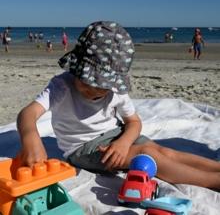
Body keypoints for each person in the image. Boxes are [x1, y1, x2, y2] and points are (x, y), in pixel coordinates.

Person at [17, 21, 220, 189]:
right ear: (77, 67)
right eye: (87, 83)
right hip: (84, 148)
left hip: (118, 135)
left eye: (102, 87)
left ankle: (215, 168)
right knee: (147, 156)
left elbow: (134, 122)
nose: (93, 91)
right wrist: (31, 137)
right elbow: (28, 114)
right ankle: (213, 182)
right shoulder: (62, 85)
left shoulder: (116, 90)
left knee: (162, 151)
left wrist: (123, 142)